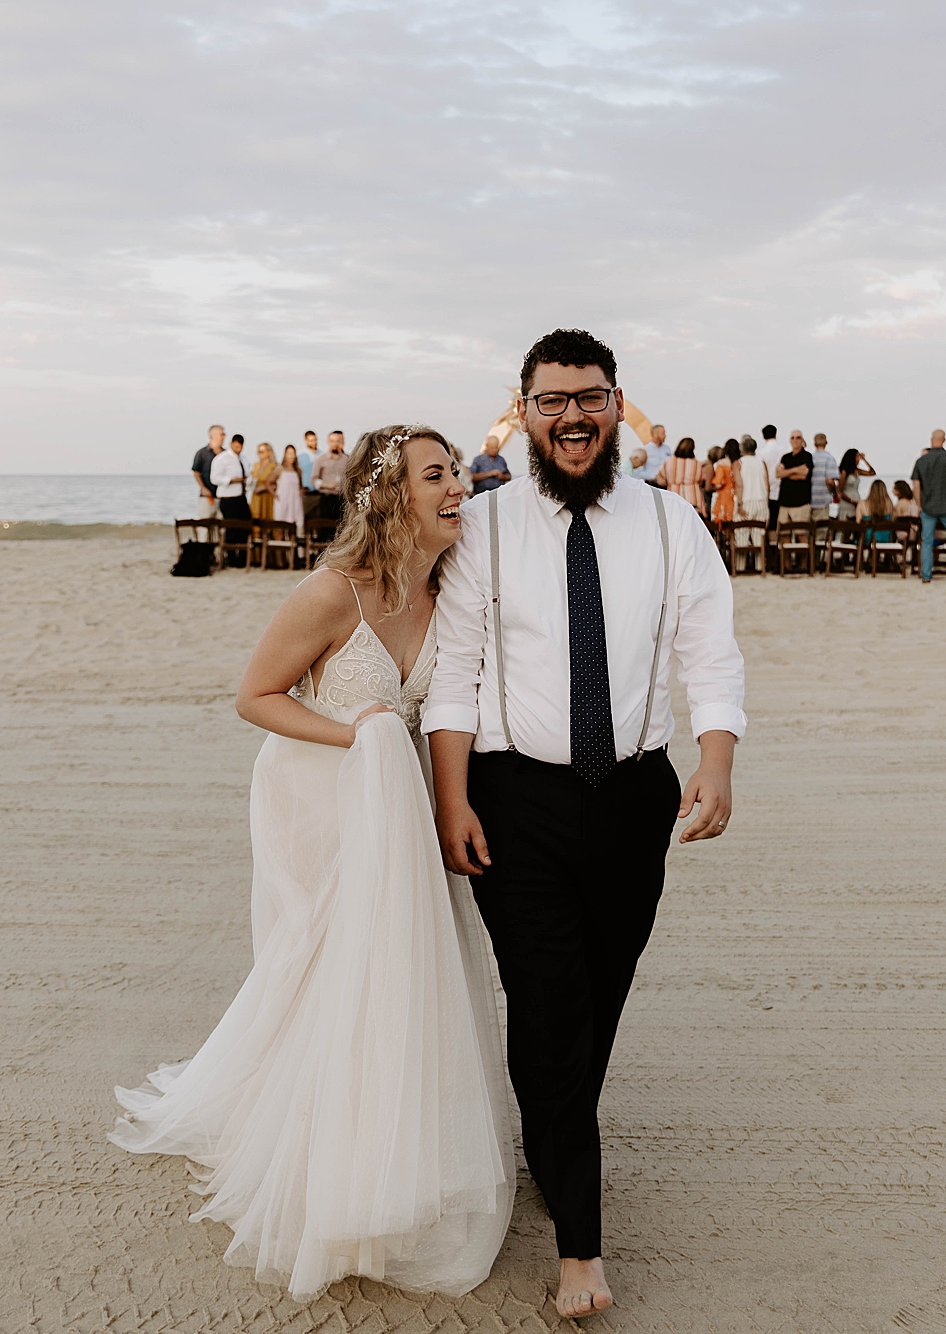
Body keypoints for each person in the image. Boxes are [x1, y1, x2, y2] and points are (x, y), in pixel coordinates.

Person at [111, 426, 512, 1299]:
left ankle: (396, 1148)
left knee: (401, 972)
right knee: (329, 963)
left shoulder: (453, 587)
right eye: (436, 476)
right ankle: (323, 1157)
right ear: (387, 495)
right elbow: (254, 696)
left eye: (459, 476)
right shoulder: (334, 593)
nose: (459, 490)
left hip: (399, 803)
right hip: (320, 792)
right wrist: (358, 732)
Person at [426, 328, 744, 1321]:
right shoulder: (481, 525)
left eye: (588, 397)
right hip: (514, 796)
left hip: (634, 796)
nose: (570, 416)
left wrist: (717, 755)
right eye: (551, 399)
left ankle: (548, 1134)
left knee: (593, 997)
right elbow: (454, 672)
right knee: (548, 993)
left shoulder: (667, 522)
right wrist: (451, 798)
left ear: (615, 405)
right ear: (522, 410)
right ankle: (579, 1242)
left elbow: (709, 644)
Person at [909, 428, 946, 584]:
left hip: (928, 506)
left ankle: (926, 576)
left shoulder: (921, 461)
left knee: (926, 542)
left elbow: (916, 485)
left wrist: (919, 503)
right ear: (944, 440)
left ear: (931, 439)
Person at [212, 433, 251, 564]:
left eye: (240, 447)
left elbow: (248, 474)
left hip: (241, 497)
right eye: (236, 446)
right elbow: (214, 478)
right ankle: (231, 557)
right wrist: (231, 480)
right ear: (231, 444)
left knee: (245, 527)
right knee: (231, 529)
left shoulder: (244, 459)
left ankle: (243, 557)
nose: (238, 449)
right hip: (228, 498)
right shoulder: (221, 459)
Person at [735, 436, 771, 570]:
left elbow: (739, 485)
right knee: (759, 536)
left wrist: (739, 504)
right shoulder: (761, 463)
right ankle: (760, 566)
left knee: (741, 535)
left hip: (746, 500)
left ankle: (740, 567)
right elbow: (767, 485)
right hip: (761, 500)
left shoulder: (739, 463)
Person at [773, 429, 812, 533]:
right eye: (792, 438)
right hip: (784, 503)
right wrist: (795, 470)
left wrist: (786, 473)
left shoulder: (807, 456)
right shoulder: (785, 458)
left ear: (802, 440)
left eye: (798, 437)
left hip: (801, 504)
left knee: (801, 534)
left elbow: (803, 475)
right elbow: (778, 474)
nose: (795, 440)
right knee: (784, 534)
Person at [314, 431, 349, 523]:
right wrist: (328, 485)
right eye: (332, 441)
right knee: (325, 527)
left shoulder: (346, 459)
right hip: (326, 498)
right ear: (328, 442)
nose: (335, 444)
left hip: (341, 499)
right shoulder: (320, 460)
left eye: (337, 441)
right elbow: (314, 480)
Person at [661, 439, 703, 514]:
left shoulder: (669, 461)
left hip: (674, 494)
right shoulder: (696, 463)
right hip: (693, 496)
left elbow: (662, 477)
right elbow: (699, 479)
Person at [192, 424, 225, 520]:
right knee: (204, 526)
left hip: (223, 496)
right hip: (207, 496)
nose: (224, 437)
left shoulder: (225, 454)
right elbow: (196, 471)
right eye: (221, 434)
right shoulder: (202, 453)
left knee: (222, 528)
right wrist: (203, 488)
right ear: (213, 435)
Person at [836, 447, 875, 520]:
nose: (859, 459)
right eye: (857, 457)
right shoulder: (844, 472)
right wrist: (851, 501)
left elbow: (872, 473)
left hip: (856, 498)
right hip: (847, 500)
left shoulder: (857, 471)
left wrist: (865, 460)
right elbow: (840, 490)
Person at [274, 444, 305, 527]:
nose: (291, 456)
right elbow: (268, 483)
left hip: (294, 501)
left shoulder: (297, 470)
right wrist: (274, 493)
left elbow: (300, 485)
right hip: (283, 500)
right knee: (280, 525)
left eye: (293, 453)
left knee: (294, 525)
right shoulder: (279, 469)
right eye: (289, 453)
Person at [249, 442, 280, 521]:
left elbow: (276, 483)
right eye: (258, 452)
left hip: (267, 496)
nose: (260, 454)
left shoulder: (274, 466)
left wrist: (264, 488)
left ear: (269, 452)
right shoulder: (256, 465)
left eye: (262, 452)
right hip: (256, 496)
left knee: (267, 518)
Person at [710, 440, 737, 524]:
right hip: (736, 496)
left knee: (723, 524)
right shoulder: (738, 463)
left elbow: (719, 484)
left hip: (724, 497)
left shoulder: (721, 463)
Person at [809, 433, 835, 521]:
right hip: (823, 499)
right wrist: (834, 492)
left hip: (809, 499)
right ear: (826, 442)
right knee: (821, 531)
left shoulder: (810, 458)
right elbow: (830, 481)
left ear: (814, 444)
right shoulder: (829, 458)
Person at [299, 430, 320, 518]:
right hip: (307, 492)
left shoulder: (321, 454)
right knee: (306, 517)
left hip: (319, 491)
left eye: (315, 440)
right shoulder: (301, 456)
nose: (314, 442)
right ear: (306, 441)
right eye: (311, 440)